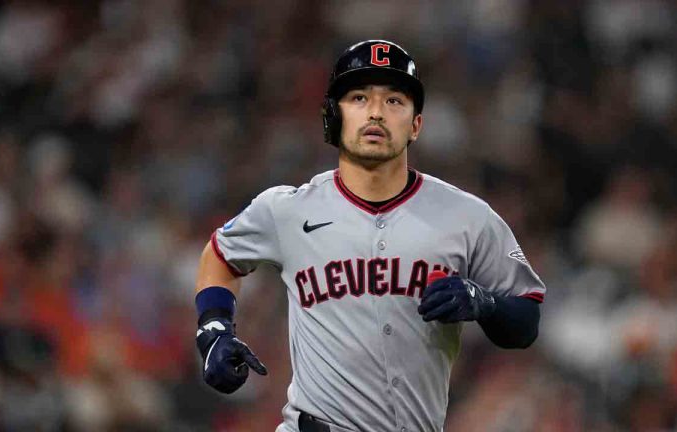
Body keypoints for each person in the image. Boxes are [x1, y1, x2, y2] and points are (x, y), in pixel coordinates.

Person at [193, 40, 546, 432]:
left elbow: (527, 322)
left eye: (394, 100)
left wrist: (485, 304)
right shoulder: (287, 210)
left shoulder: (467, 216)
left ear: (416, 124)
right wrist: (214, 329)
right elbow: (220, 256)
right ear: (333, 117)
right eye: (359, 98)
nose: (376, 112)